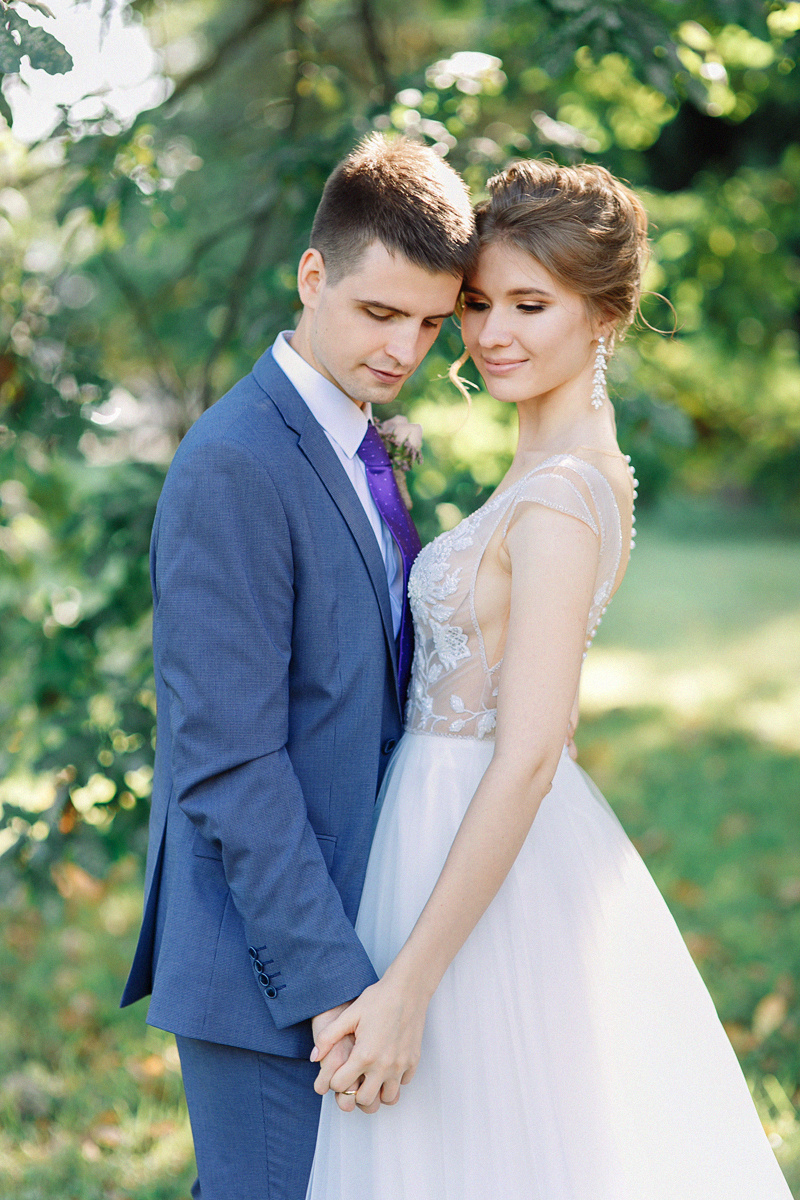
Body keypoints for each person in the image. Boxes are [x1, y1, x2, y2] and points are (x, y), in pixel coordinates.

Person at [306, 160, 792, 1198]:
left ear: (603, 314)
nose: (490, 336)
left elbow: (529, 754)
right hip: (434, 828)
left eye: (530, 305)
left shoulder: (563, 495)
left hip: (483, 852)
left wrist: (408, 986)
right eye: (477, 305)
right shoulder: (545, 467)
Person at [119, 133, 477, 1200]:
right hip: (269, 968)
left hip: (361, 932)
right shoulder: (236, 462)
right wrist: (327, 988)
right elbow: (225, 759)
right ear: (311, 276)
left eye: (428, 322)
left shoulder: (351, 435)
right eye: (378, 314)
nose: (403, 350)